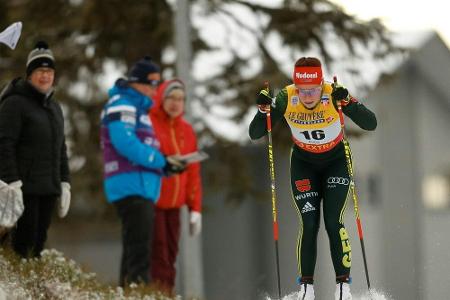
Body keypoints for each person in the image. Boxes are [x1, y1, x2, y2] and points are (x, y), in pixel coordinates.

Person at [249, 57, 377, 300]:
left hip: (336, 163)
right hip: (304, 165)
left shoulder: (333, 93)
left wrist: (348, 102)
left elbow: (371, 123)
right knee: (308, 224)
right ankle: (306, 289)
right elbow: (256, 133)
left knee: (333, 220)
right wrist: (263, 110)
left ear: (322, 85)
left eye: (313, 90)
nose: (307, 95)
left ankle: (343, 287)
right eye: (302, 90)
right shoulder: (287, 98)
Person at [100, 57, 185, 286]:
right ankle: (137, 292)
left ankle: (127, 290)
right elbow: (125, 142)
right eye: (151, 84)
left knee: (135, 249)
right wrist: (160, 160)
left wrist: (166, 166)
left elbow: (146, 147)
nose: (154, 90)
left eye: (157, 85)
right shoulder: (123, 103)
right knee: (140, 252)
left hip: (141, 185)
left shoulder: (139, 109)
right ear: (137, 83)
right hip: (130, 184)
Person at [0, 41, 71, 258]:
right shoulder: (14, 104)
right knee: (22, 247)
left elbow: (61, 147)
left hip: (48, 188)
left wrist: (65, 182)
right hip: (24, 190)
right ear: (30, 74)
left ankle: (32, 289)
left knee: (37, 247)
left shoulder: (55, 107)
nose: (45, 76)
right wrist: (12, 182)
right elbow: (4, 143)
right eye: (40, 71)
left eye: (49, 71)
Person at [149, 79, 203, 295]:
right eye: (171, 97)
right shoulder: (150, 123)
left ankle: (166, 294)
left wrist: (195, 209)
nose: (175, 103)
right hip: (153, 201)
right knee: (158, 254)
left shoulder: (186, 130)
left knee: (171, 254)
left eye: (180, 99)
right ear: (162, 99)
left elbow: (193, 174)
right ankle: (158, 295)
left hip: (174, 205)